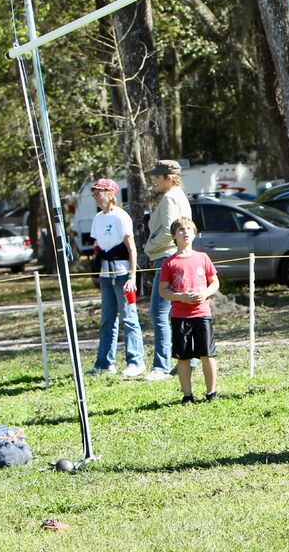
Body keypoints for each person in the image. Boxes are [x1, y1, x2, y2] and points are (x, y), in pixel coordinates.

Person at [86, 178, 145, 377]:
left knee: (129, 317)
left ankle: (136, 362)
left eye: (99, 192)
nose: (96, 196)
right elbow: (99, 247)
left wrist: (132, 276)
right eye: (94, 193)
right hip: (105, 274)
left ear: (111, 194)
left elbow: (131, 248)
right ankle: (104, 363)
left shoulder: (121, 217)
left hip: (122, 275)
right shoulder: (98, 219)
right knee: (107, 319)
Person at [158, 217, 220, 403]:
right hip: (180, 315)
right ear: (174, 236)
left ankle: (211, 393)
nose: (185, 232)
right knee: (183, 356)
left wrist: (205, 293)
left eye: (188, 229)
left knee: (207, 354)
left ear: (194, 233)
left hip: (202, 313)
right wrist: (180, 297)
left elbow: (214, 282)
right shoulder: (169, 263)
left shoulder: (203, 258)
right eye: (181, 230)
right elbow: (163, 290)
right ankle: (187, 395)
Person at [143, 160, 192, 381]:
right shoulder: (180, 196)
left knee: (158, 313)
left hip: (166, 257)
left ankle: (161, 366)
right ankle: (189, 359)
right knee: (178, 311)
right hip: (174, 257)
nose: (154, 180)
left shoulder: (170, 198)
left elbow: (169, 230)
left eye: (157, 176)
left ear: (168, 178)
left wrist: (149, 246)